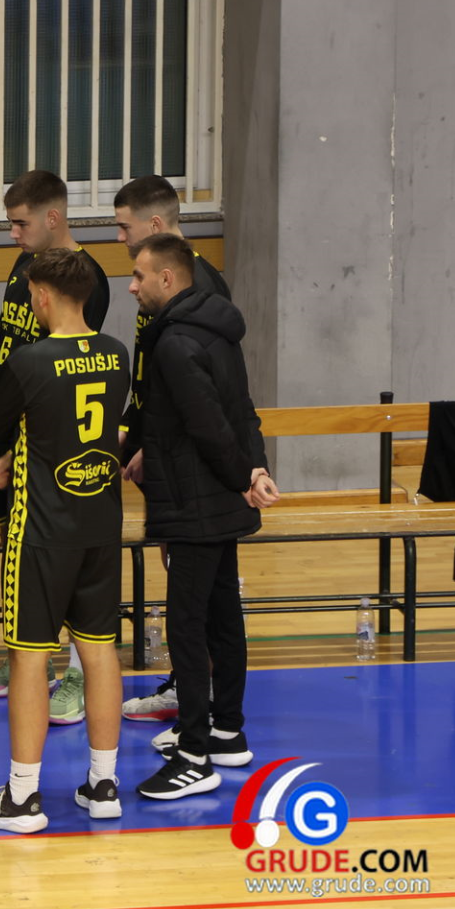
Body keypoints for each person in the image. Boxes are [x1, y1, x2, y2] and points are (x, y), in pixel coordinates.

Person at [0, 248, 129, 833]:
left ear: (41, 295)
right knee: (99, 651)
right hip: (101, 526)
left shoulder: (29, 361)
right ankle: (104, 784)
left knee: (29, 658)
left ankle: (22, 797)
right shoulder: (116, 353)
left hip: (42, 531)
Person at [125, 234, 278, 799]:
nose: (133, 287)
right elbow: (242, 412)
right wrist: (253, 471)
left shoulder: (173, 341)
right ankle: (227, 731)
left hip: (194, 505)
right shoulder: (218, 330)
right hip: (220, 500)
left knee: (187, 625)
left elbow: (209, 424)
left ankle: (192, 754)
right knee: (222, 615)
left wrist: (243, 477)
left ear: (168, 279)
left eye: (139, 276)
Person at [0, 170, 111, 723]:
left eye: (21, 223)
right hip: (6, 420)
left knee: (66, 557)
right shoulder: (23, 266)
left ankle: (74, 671)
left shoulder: (87, 277)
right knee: (15, 544)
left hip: (48, 440)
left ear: (53, 217)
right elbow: (3, 336)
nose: (13, 233)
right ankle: (27, 659)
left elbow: (68, 367)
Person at [113, 175, 232, 723]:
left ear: (155, 225)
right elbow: (152, 380)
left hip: (192, 473)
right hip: (163, 452)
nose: (120, 239)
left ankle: (197, 705)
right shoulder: (162, 287)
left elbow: (206, 393)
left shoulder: (198, 288)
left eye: (124, 228)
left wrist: (157, 446)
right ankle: (192, 690)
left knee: (198, 593)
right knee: (186, 580)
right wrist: (133, 434)